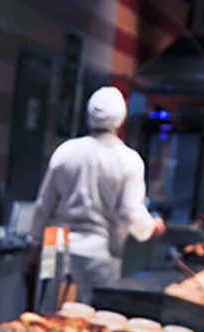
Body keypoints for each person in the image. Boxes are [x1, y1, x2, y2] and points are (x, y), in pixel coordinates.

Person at [28, 87, 166, 303]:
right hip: (99, 254)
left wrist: (35, 245)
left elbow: (43, 205)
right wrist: (151, 227)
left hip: (54, 249)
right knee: (90, 318)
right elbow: (130, 211)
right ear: (121, 120)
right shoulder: (129, 160)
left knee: (46, 313)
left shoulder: (65, 151)